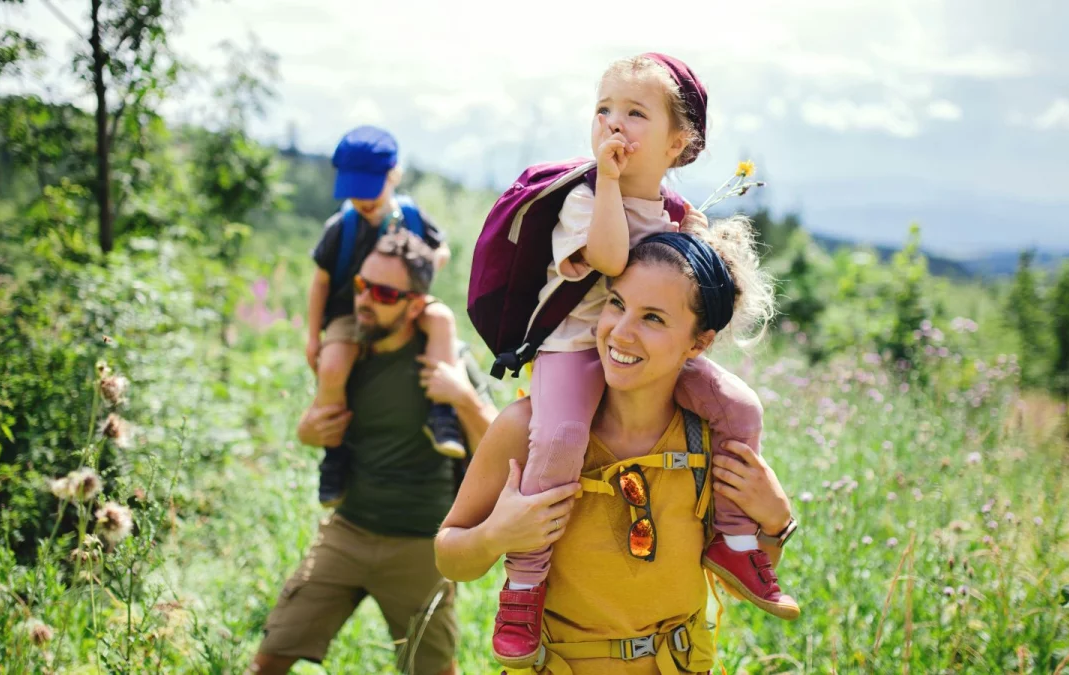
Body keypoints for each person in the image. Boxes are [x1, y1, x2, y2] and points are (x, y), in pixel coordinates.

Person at [486, 52, 797, 667]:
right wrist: (607, 180)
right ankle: (524, 584)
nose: (613, 122)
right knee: (561, 436)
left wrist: (692, 240)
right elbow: (609, 259)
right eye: (603, 109)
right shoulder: (583, 198)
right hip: (577, 346)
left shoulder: (675, 212)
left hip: (640, 352)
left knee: (739, 407)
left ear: (678, 143)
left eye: (634, 113)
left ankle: (735, 539)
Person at [436, 227, 799, 674]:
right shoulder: (527, 428)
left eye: (653, 318)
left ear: (699, 343)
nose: (621, 333)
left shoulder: (712, 438)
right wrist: (496, 535)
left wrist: (776, 522)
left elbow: (737, 585)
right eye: (617, 303)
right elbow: (449, 558)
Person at [252, 231, 499, 675]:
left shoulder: (446, 360)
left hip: (421, 546)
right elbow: (315, 427)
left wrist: (463, 397)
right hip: (347, 532)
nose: (365, 301)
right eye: (362, 286)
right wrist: (307, 431)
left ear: (415, 306)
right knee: (267, 661)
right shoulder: (346, 356)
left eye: (384, 294)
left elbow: (495, 451)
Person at [306, 125, 465, 508]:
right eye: (354, 191)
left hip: (404, 303)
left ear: (393, 176)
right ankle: (335, 452)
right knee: (333, 366)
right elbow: (321, 282)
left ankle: (442, 412)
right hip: (351, 311)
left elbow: (440, 250)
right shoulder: (341, 228)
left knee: (441, 320)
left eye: (370, 189)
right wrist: (314, 336)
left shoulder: (410, 216)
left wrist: (420, 272)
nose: (363, 200)